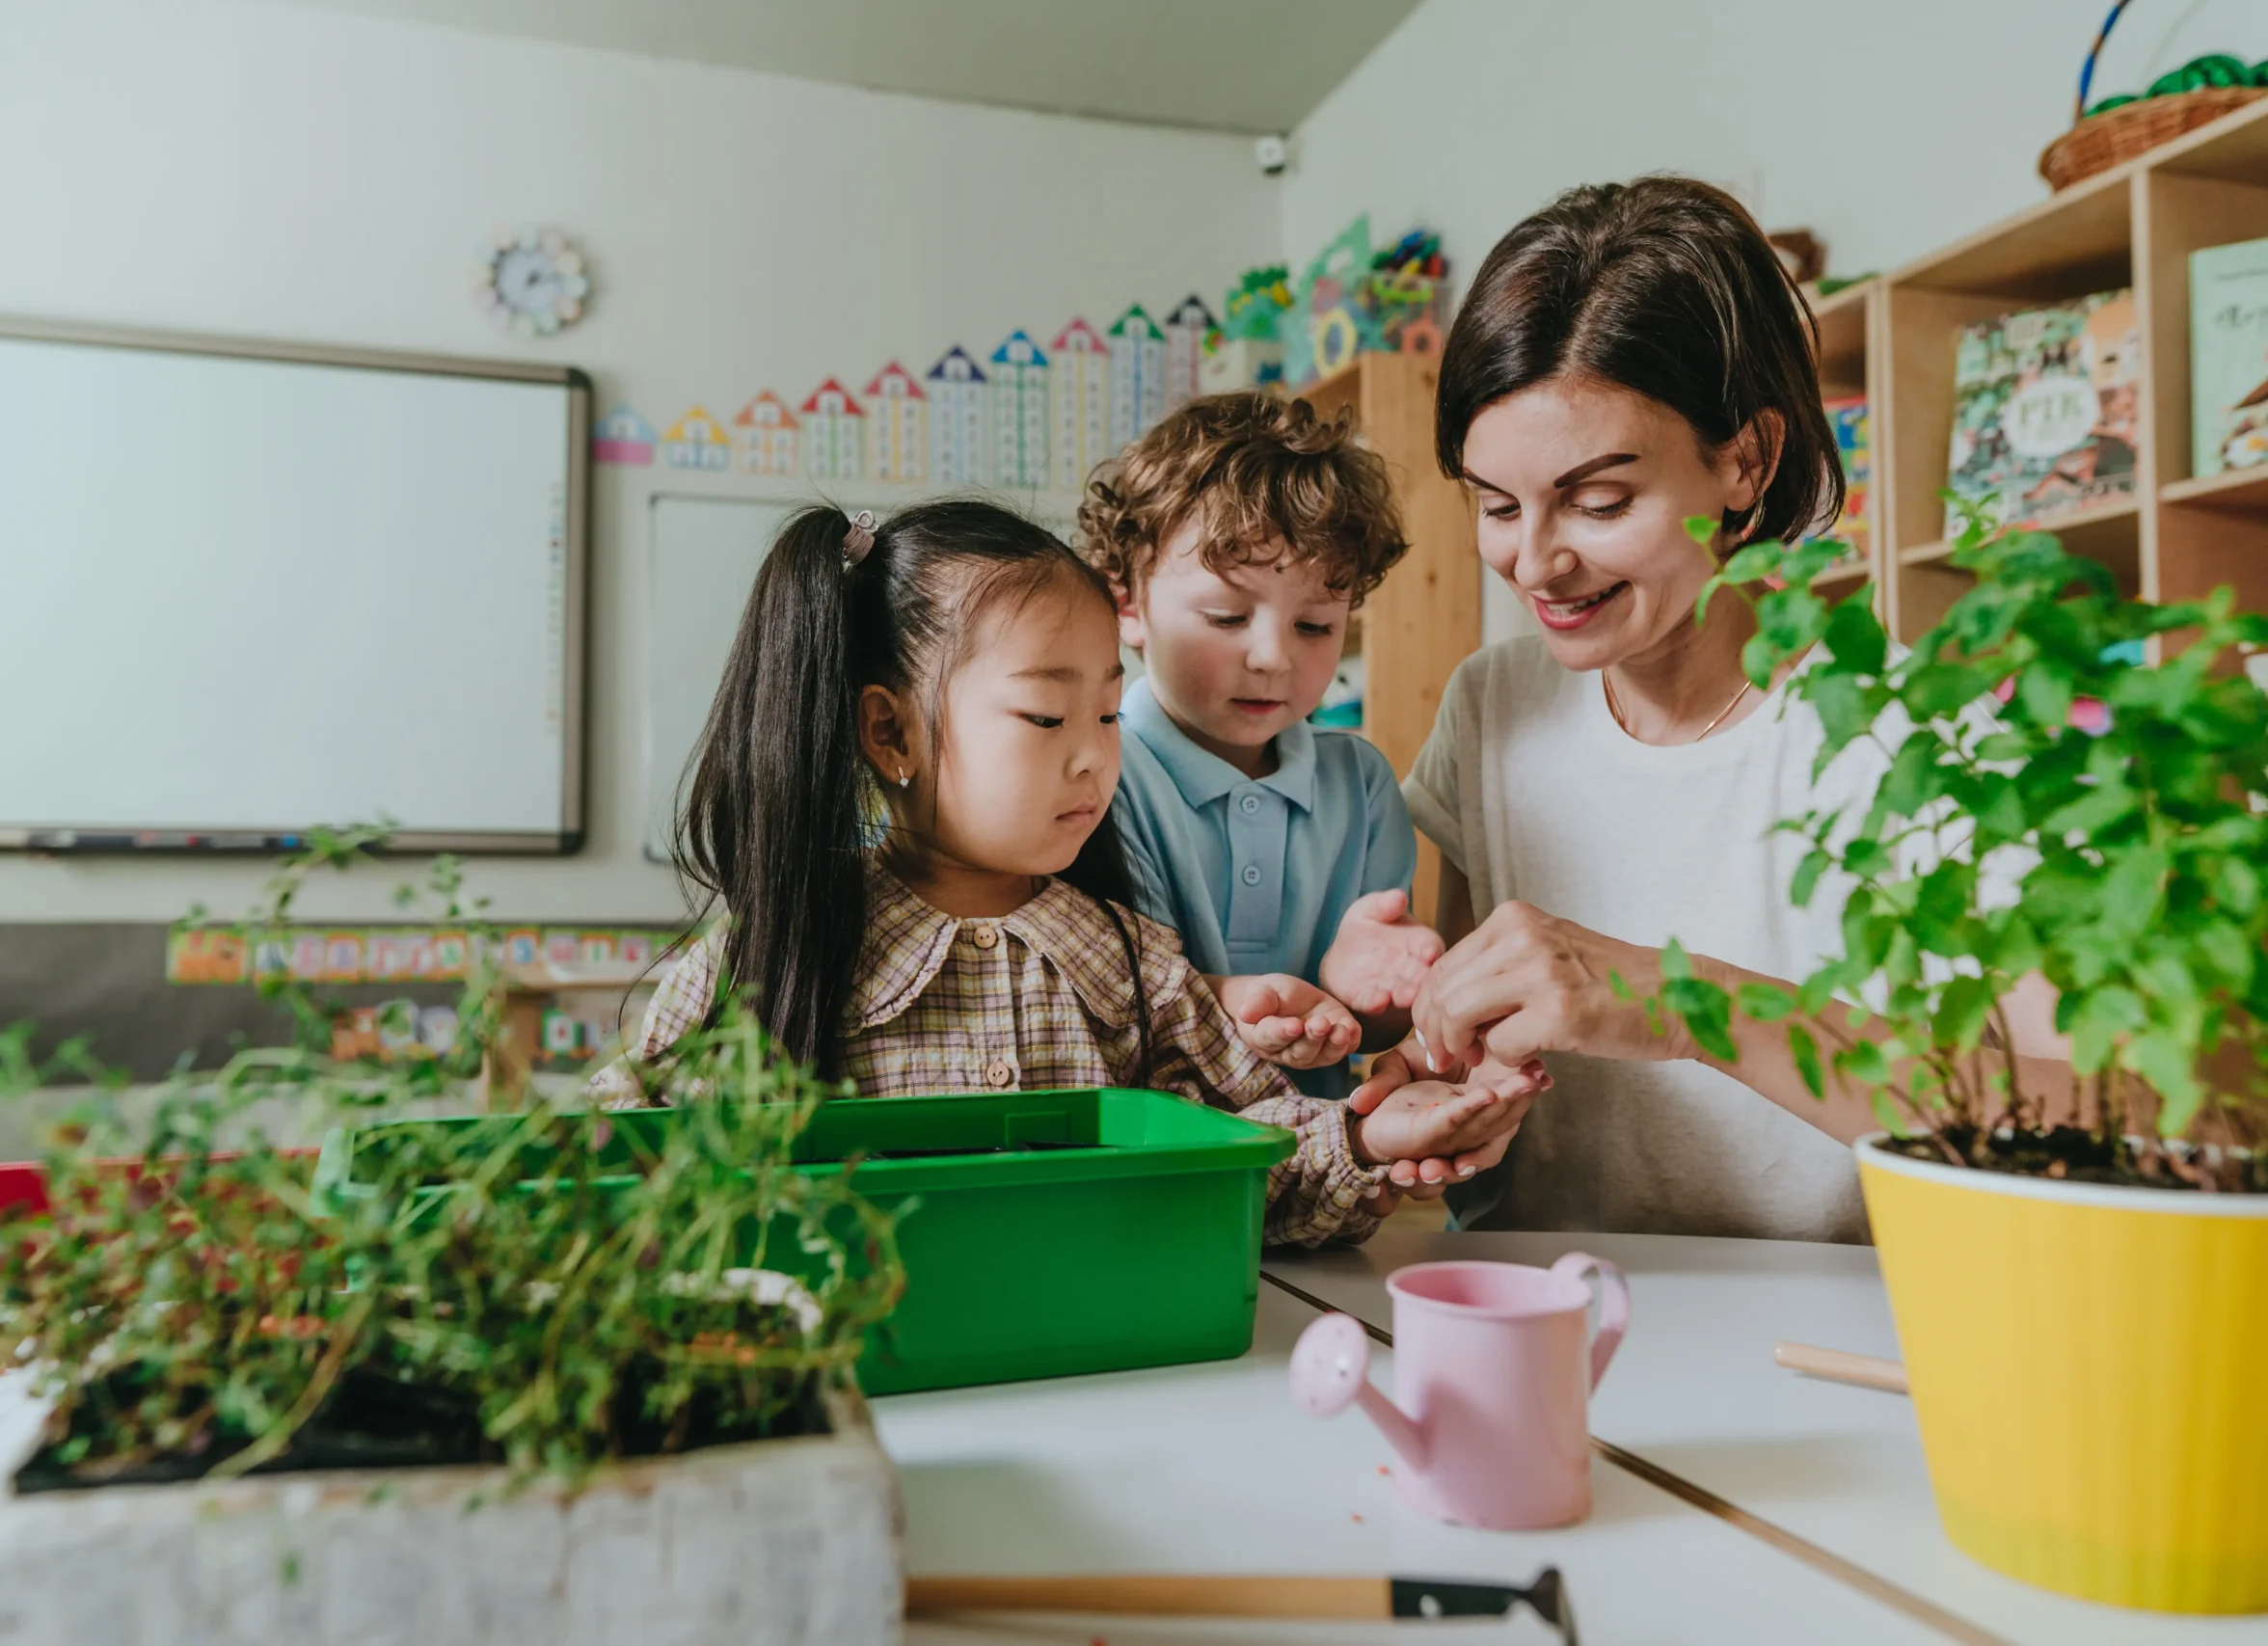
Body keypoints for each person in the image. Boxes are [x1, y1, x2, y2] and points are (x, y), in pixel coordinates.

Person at [1322, 177, 2071, 1242]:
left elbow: (2101, 1121)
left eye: (1597, 501)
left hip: (1843, 1347)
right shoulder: (1495, 706)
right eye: (1495, 506)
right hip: (1545, 1319)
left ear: (1744, 459)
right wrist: (1436, 1083)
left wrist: (1695, 1008)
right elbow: (1471, 1040)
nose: (1534, 561)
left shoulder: (1923, 737)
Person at [615, 499, 1534, 1247]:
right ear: (890, 732)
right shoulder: (780, 949)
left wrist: (1373, 1132)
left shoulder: (1136, 963)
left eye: (1106, 713)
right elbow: (615, 1157)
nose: (1097, 757)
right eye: (1048, 719)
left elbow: (1255, 1161)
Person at [1079, 393, 1516, 1115]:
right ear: (1128, 602)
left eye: (1316, 625)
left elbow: (1374, 1028)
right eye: (1226, 616)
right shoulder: (1101, 771)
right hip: (1159, 1164)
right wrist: (1245, 1002)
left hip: (1318, 1162)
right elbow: (1121, 1004)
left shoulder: (1363, 784)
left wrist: (1366, 988)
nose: (1273, 657)